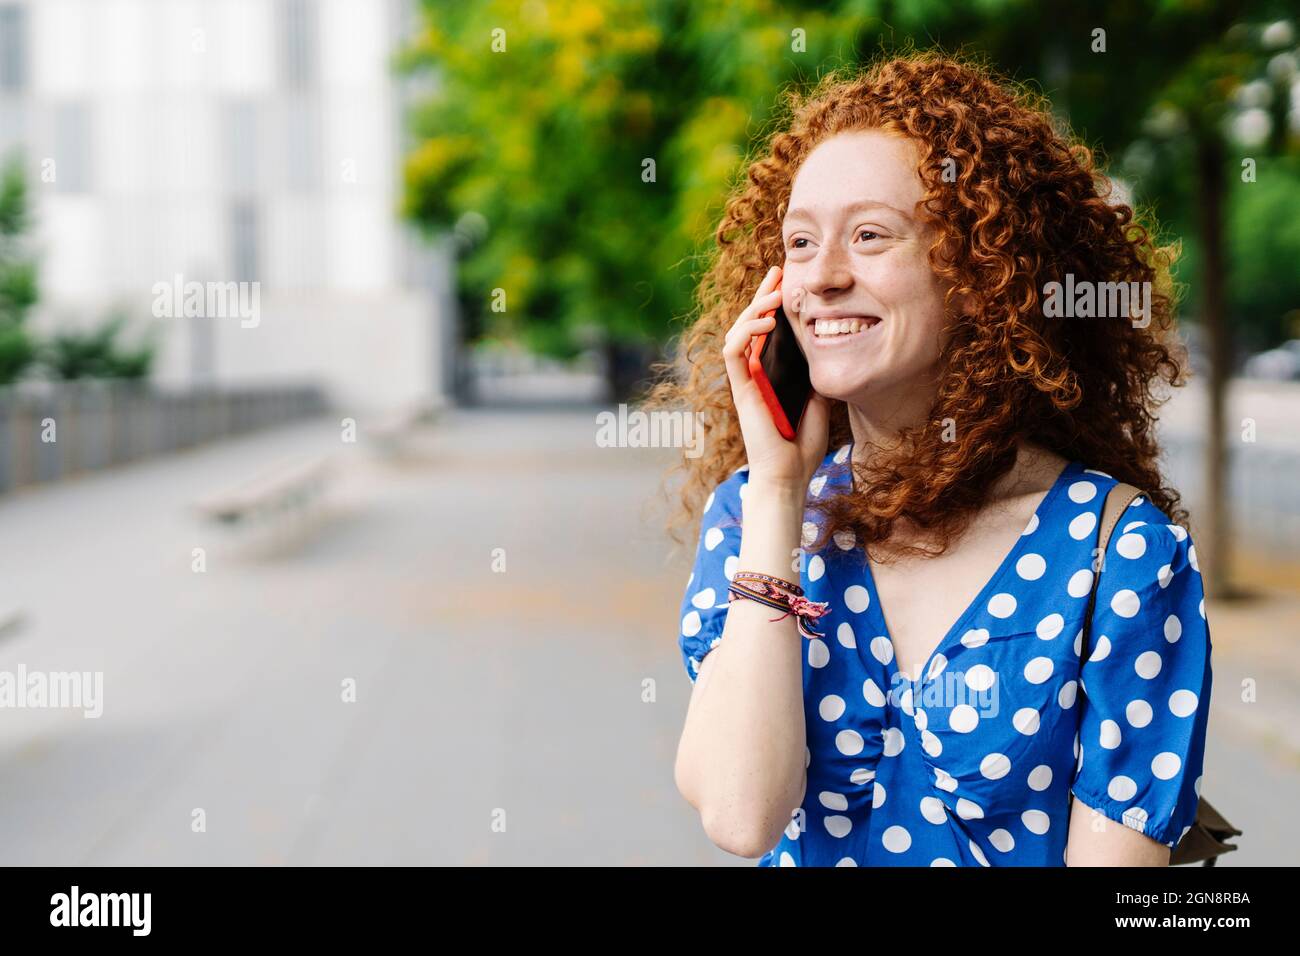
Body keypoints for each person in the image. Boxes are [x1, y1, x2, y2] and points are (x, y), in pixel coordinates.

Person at [649, 52, 1213, 866]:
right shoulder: (750, 519)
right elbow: (743, 817)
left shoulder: (1118, 552)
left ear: (982, 272)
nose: (823, 277)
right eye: (799, 243)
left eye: (870, 236)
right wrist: (778, 493)